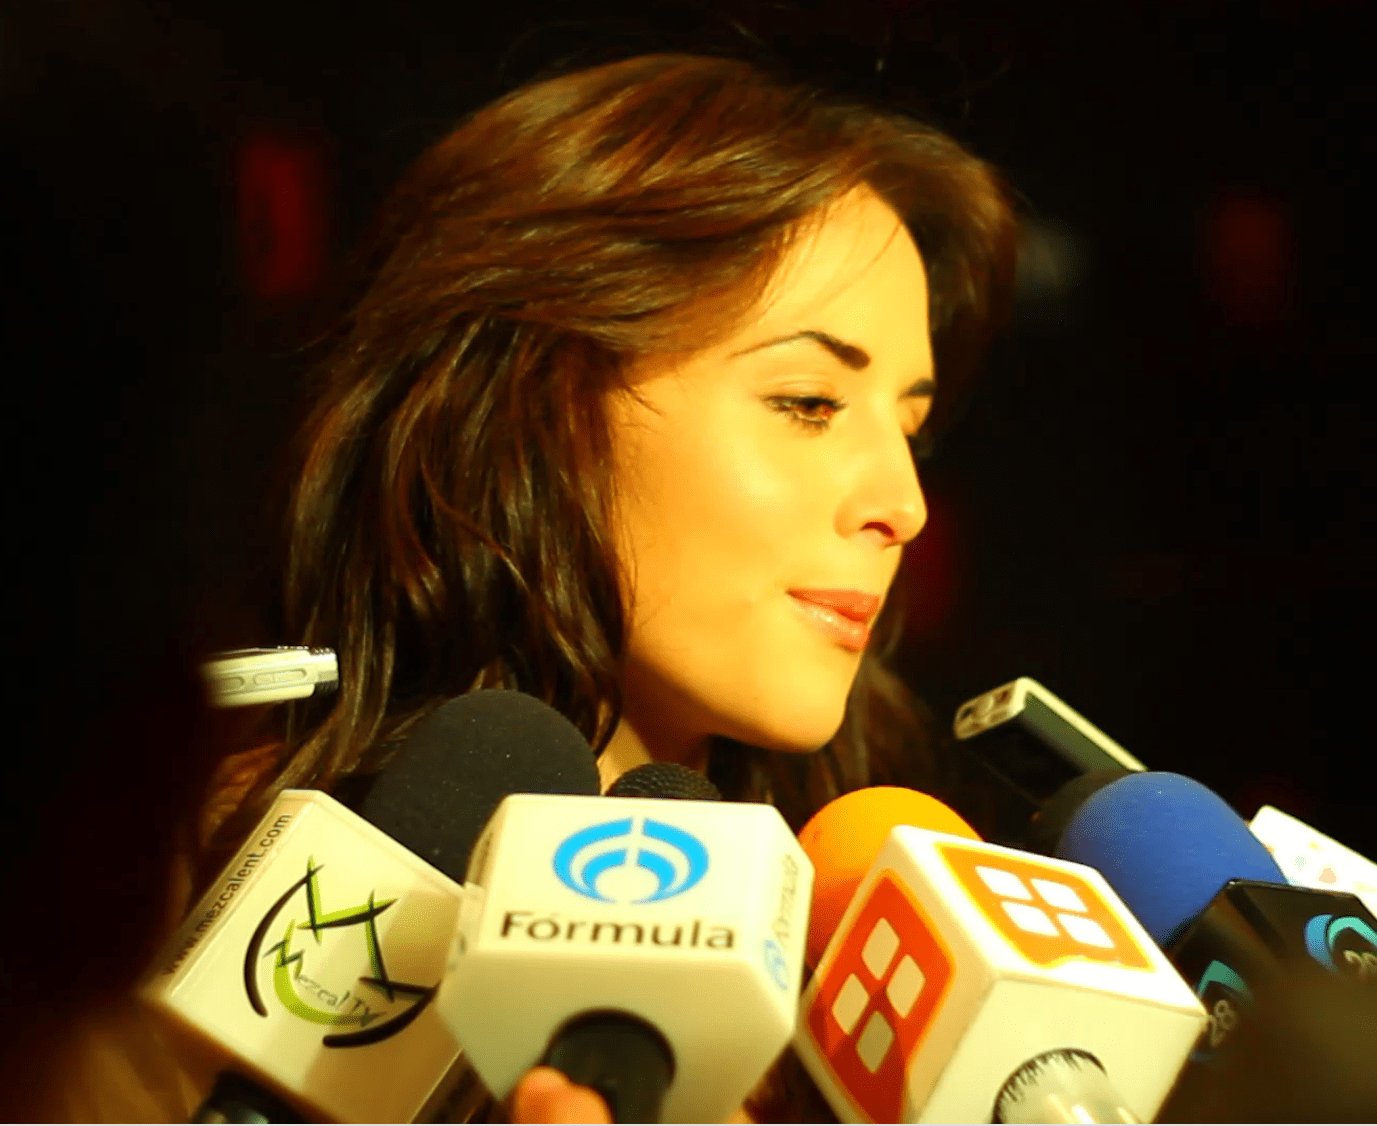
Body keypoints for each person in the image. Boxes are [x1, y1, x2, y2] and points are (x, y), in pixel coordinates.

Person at [192, 51, 1018, 1123]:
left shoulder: (854, 944)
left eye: (912, 429)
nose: (903, 506)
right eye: (809, 402)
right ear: (533, 405)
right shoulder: (180, 899)